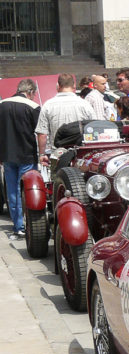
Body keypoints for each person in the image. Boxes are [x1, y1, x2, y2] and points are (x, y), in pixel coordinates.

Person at [0, 78, 40, 240]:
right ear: (30, 92)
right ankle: (31, 223)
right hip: (26, 153)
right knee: (28, 190)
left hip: (8, 154)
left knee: (12, 191)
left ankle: (18, 226)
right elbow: (39, 131)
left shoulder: (3, 105)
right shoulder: (33, 107)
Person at [35, 73, 97, 167]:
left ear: (58, 86)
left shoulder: (48, 105)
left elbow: (42, 134)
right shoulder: (84, 104)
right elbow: (94, 127)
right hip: (80, 155)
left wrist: (42, 154)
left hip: (58, 155)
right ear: (74, 86)